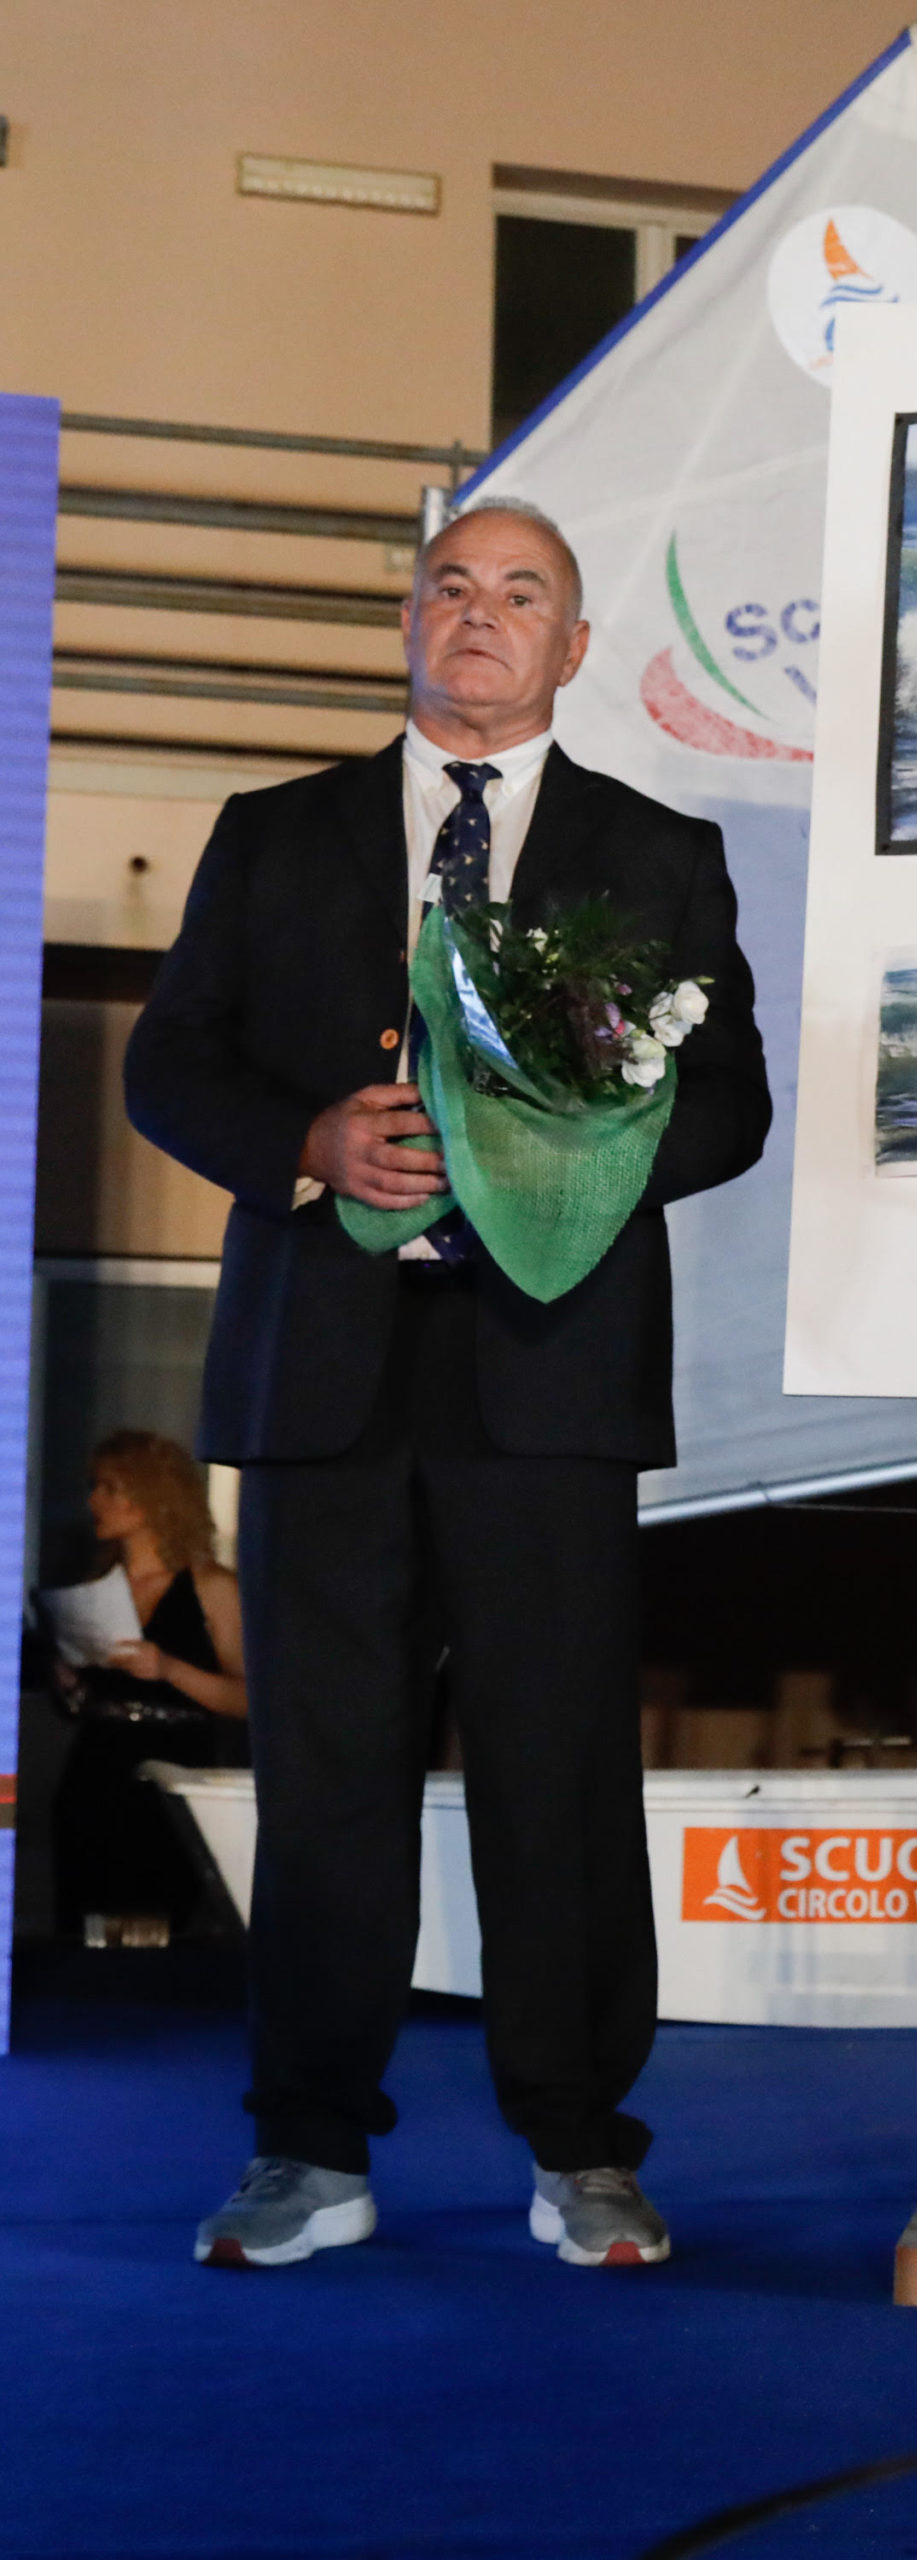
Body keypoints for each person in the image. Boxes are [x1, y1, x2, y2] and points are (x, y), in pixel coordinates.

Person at [125, 499, 772, 2271]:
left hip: (545, 1377)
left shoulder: (656, 853)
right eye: (452, 587)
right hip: (321, 1373)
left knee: (556, 1772)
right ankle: (308, 2151)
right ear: (410, 622)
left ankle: (581, 2151)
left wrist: (575, 1159)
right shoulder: (274, 834)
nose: (480, 615)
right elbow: (169, 1064)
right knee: (325, 1777)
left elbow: (728, 1103)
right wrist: (307, 1142)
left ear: (574, 647)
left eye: (521, 594)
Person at [50, 1430, 248, 1945]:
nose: (94, 1501)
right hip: (94, 1771)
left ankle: (133, 1988)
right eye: (94, 1487)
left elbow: (250, 1701)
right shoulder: (98, 1587)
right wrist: (71, 1685)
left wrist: (170, 1669)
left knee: (145, 1933)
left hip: (167, 1775)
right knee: (85, 1927)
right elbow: (84, 1704)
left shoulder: (212, 1587)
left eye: (110, 1488)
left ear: (152, 1496)